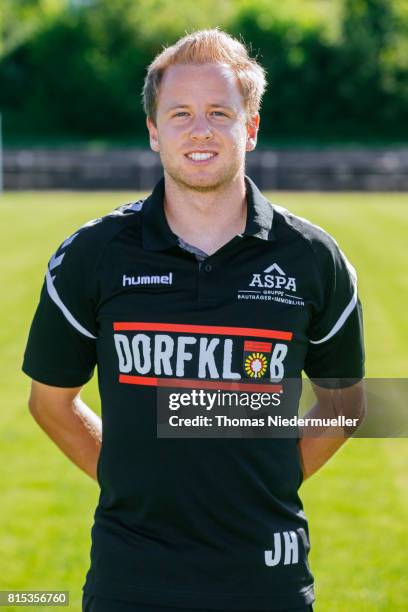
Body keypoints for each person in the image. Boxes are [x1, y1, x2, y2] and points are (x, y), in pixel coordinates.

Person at [23, 29, 365, 612]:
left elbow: (347, 404)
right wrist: (132, 479)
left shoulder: (313, 257)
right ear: (154, 131)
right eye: (179, 113)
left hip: (268, 579)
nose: (200, 130)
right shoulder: (93, 254)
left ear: (250, 128)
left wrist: (271, 478)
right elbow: (50, 401)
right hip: (130, 579)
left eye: (219, 112)